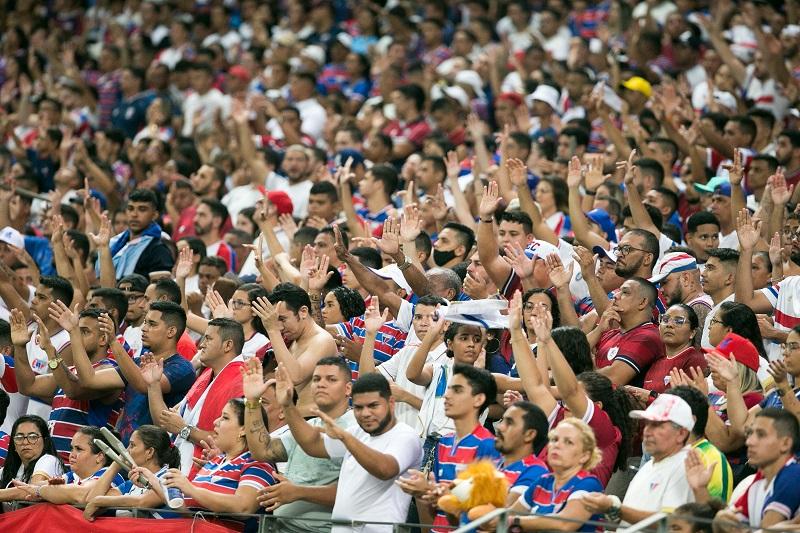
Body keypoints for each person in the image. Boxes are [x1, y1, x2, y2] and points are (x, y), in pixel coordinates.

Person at [278, 364, 423, 533]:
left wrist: (345, 438)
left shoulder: (405, 435)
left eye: (373, 405)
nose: (365, 413)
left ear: (391, 403)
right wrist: (288, 405)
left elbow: (385, 469)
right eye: (359, 407)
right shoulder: (357, 432)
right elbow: (312, 446)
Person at [56, 300, 195, 445]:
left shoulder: (182, 368)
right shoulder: (136, 363)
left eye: (152, 324)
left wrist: (113, 342)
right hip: (126, 452)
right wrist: (74, 333)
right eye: (145, 322)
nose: (144, 328)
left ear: (171, 331)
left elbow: (144, 385)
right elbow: (89, 380)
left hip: (154, 456)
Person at [243, 356, 356, 533]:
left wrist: (299, 491)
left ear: (348, 388)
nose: (321, 384)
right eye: (317, 379)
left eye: (331, 379)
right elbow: (263, 451)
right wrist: (252, 402)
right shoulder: (309, 426)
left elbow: (356, 493)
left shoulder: (356, 429)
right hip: (277, 527)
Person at [399, 363, 499, 531]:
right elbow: (437, 509)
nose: (447, 396)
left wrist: (432, 489)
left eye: (457, 390)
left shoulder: (488, 445)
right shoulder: (444, 443)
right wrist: (425, 494)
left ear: (479, 399)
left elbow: (484, 508)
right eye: (449, 389)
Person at [143, 318, 244, 475]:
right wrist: (153, 385)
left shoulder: (241, 380)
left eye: (209, 339)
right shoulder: (206, 375)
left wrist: (184, 429)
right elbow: (165, 423)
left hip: (206, 476)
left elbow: (236, 439)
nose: (201, 344)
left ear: (228, 345)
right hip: (178, 470)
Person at [581, 394, 695, 525]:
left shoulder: (685, 467)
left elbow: (671, 524)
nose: (647, 431)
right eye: (647, 424)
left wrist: (613, 507)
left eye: (657, 425)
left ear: (681, 434)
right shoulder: (651, 465)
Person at [161, 399, 276, 518]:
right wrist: (154, 483)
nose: (216, 422)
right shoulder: (215, 462)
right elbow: (193, 516)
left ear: (243, 429)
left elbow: (244, 508)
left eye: (225, 418)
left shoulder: (257, 463)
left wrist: (190, 489)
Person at [252, 283, 337, 417]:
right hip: (290, 420)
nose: (279, 326)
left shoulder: (322, 340)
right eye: (275, 320)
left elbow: (294, 376)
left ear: (303, 312)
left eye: (282, 319)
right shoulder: (293, 339)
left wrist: (272, 329)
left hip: (314, 421)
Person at [506, 418, 605, 532]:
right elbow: (509, 514)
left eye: (568, 442)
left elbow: (565, 524)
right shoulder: (543, 482)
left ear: (584, 456)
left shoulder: (589, 484)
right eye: (554, 439)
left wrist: (516, 522)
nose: (557, 445)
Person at [713, 409, 800, 531]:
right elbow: (730, 523)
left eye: (761, 434)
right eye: (750, 433)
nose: (749, 442)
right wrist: (721, 521)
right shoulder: (760, 479)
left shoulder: (794, 475)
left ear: (785, 443)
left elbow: (766, 528)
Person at [82, 424, 181, 520]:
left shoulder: (168, 477)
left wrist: (100, 501)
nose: (127, 450)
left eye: (132, 445)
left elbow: (142, 502)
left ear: (150, 452)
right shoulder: (132, 483)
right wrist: (117, 463)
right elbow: (90, 500)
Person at [11, 426, 127, 504]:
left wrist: (49, 491)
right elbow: (31, 489)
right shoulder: (72, 476)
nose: (72, 455)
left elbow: (82, 493)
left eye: (79, 449)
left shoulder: (110, 475)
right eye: (72, 448)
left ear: (100, 456)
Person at [589, 277, 666, 387]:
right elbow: (569, 355)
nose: (616, 296)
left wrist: (580, 371)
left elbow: (612, 379)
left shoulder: (648, 336)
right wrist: (599, 329)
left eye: (625, 292)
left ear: (643, 302)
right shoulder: (611, 333)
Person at [95, 188, 175, 280]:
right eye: (130, 208)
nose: (134, 214)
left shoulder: (159, 250)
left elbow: (161, 291)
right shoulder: (114, 242)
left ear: (154, 215)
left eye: (142, 209)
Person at [0, 415, 64, 501]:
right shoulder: (9, 469)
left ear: (45, 441)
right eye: (19, 437)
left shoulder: (49, 460)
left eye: (33, 437)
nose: (25, 442)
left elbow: (31, 491)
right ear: (13, 445)